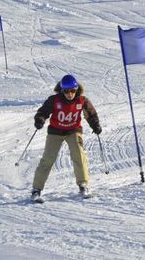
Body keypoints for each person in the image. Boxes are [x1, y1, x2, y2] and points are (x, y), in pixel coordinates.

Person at [31, 74, 102, 202]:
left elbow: (91, 115)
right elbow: (43, 112)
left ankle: (83, 185)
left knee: (79, 155)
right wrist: (40, 120)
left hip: (73, 130)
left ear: (76, 89)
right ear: (62, 90)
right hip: (55, 131)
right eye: (66, 91)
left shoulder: (82, 100)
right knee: (48, 158)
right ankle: (36, 190)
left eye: (73, 91)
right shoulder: (54, 100)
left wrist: (95, 125)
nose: (70, 94)